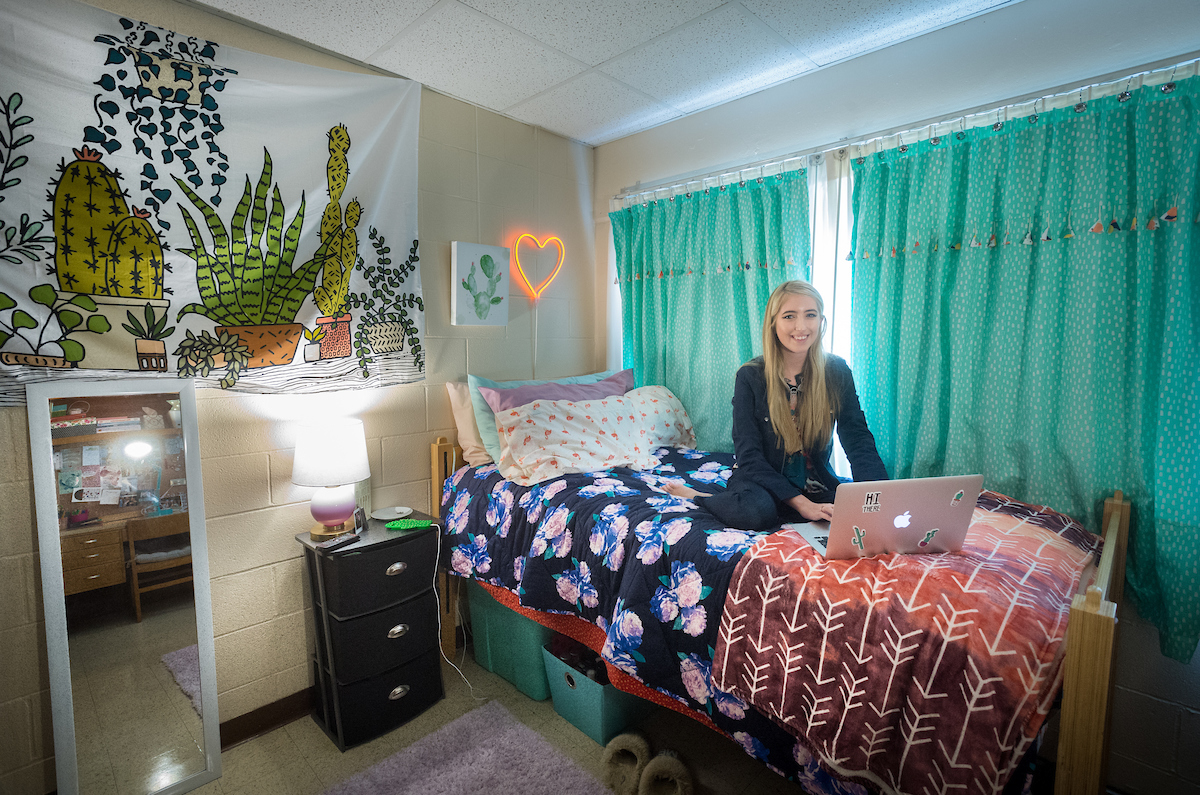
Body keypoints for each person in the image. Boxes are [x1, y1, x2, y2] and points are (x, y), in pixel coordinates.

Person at [666, 280, 887, 530]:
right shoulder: (750, 377)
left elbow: (858, 440)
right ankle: (704, 497)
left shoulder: (837, 372)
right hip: (760, 481)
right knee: (756, 513)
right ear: (774, 323)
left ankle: (764, 504)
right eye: (789, 316)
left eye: (810, 315)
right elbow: (749, 455)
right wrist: (803, 505)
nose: (801, 326)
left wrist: (877, 499)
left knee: (853, 508)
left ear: (821, 321)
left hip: (814, 483)